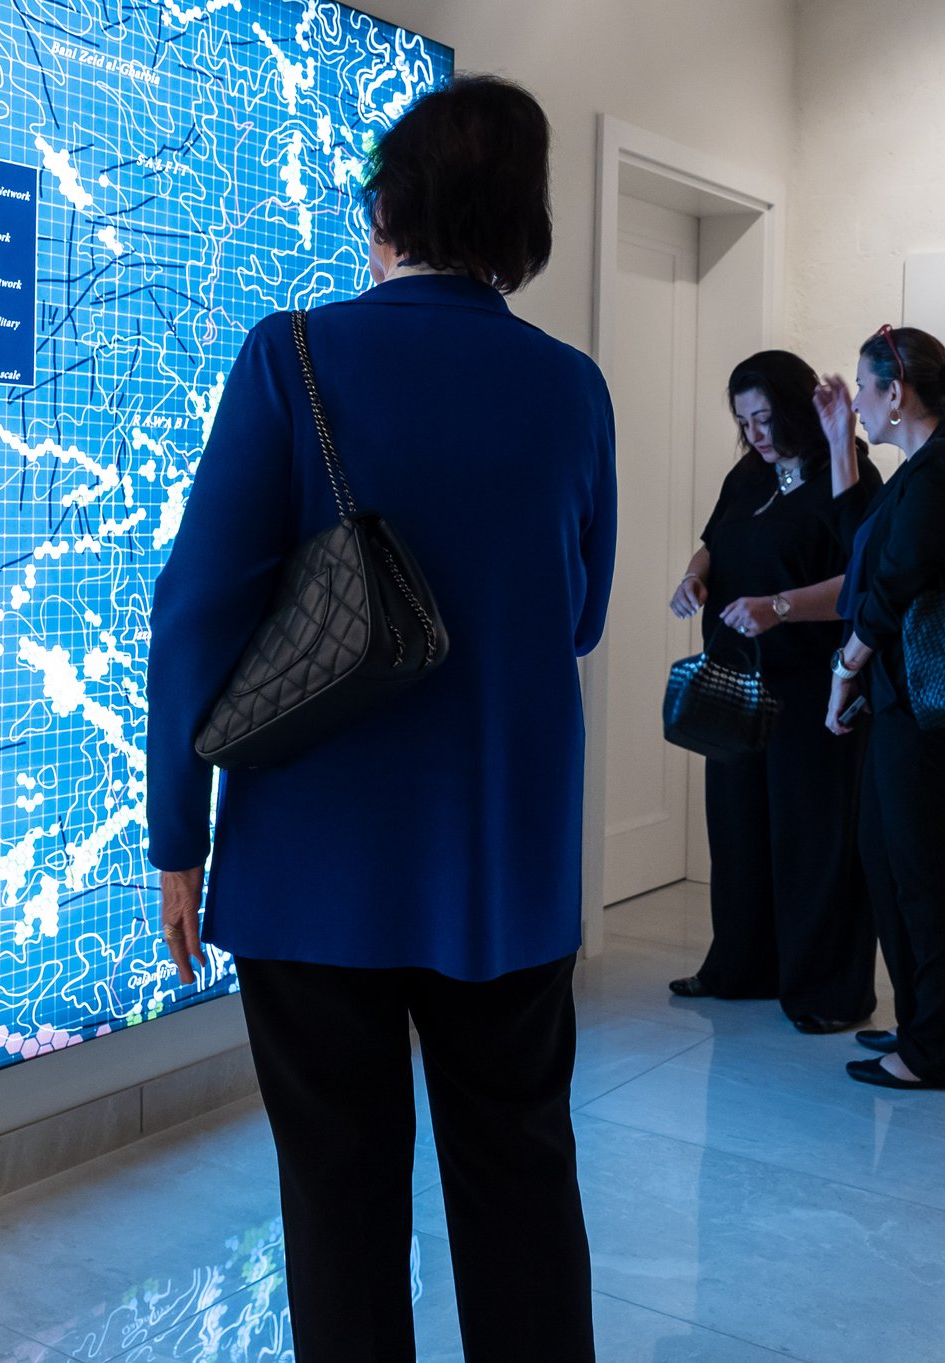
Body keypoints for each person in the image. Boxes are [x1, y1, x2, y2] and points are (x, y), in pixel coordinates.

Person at [145, 75, 615, 1362]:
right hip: (504, 868)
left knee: (340, 1207)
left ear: (386, 212)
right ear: (522, 223)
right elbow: (579, 615)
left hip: (312, 877)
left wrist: (176, 834)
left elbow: (193, 613)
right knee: (521, 1186)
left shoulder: (292, 356)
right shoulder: (573, 390)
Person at [664, 350, 880, 1032]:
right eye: (743, 421)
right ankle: (740, 967)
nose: (755, 433)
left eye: (764, 417)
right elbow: (715, 541)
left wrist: (778, 606)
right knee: (737, 833)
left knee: (812, 838)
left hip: (814, 685)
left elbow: (860, 585)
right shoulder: (748, 473)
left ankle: (823, 988)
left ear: (793, 407)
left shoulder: (849, 476)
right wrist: (694, 576)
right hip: (735, 679)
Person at [813, 324, 945, 1092]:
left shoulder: (944, 470)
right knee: (888, 856)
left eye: (862, 389)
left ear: (897, 393)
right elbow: (862, 542)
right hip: (907, 699)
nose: (857, 401)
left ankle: (940, 1050)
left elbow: (889, 586)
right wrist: (836, 442)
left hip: (926, 701)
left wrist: (843, 670)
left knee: (921, 869)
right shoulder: (931, 463)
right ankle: (924, 1021)